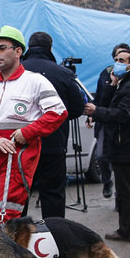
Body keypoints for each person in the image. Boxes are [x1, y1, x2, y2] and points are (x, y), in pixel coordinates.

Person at [0, 26, 67, 226]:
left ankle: (11, 254)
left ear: (18, 51)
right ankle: (5, 251)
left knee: (5, 213)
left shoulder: (35, 81)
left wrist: (27, 132)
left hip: (17, 155)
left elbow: (58, 112)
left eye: (2, 48)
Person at [84, 50, 130, 242]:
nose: (116, 63)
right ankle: (129, 228)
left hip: (127, 144)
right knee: (126, 188)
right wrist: (112, 84)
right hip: (120, 143)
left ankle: (128, 230)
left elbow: (122, 114)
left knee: (126, 189)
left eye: (122, 60)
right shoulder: (122, 84)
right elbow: (105, 103)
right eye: (116, 60)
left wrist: (97, 111)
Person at [21, 32, 85, 218]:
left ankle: (17, 239)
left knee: (20, 194)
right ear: (50, 48)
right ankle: (55, 238)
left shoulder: (18, 70)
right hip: (53, 144)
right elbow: (77, 107)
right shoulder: (63, 73)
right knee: (53, 194)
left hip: (22, 143)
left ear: (28, 48)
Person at [91, 43, 130, 199]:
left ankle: (120, 196)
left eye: (123, 57)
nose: (119, 61)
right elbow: (100, 98)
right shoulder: (106, 73)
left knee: (121, 162)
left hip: (122, 124)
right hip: (105, 120)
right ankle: (107, 181)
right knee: (101, 155)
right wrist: (93, 113)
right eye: (116, 57)